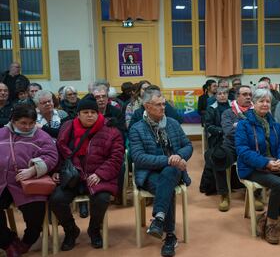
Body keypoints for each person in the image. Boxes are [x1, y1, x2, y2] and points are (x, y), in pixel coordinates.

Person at [49, 96, 124, 251]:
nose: (89, 115)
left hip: (97, 176)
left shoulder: (111, 131)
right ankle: (71, 230)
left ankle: (94, 229)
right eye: (85, 112)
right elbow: (57, 152)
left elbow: (116, 158)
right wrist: (56, 171)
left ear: (98, 113)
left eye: (93, 112)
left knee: (102, 199)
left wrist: (100, 174)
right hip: (73, 175)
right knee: (56, 199)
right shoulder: (67, 128)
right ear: (78, 114)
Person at [129, 87, 192, 257]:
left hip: (174, 170)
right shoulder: (137, 128)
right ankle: (170, 235)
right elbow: (139, 158)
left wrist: (178, 156)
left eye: (164, 104)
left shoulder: (172, 123)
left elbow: (188, 145)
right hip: (150, 173)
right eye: (158, 105)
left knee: (170, 173)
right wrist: (168, 160)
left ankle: (159, 219)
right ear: (147, 107)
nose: (163, 108)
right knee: (167, 185)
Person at [236, 88, 280, 245]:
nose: (265, 104)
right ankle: (271, 224)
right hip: (252, 167)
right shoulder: (244, 124)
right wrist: (266, 163)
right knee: (278, 184)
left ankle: (266, 218)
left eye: (267, 101)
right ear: (253, 103)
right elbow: (243, 151)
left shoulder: (275, 125)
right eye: (261, 101)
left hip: (276, 164)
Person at [0, 104, 58, 256]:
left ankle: (27, 241)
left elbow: (52, 156)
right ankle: (7, 242)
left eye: (31, 123)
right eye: (23, 123)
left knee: (35, 213)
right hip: (2, 182)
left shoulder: (41, 135)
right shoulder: (1, 133)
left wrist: (33, 169)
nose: (27, 127)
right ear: (13, 121)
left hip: (28, 183)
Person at [203, 87, 231, 211]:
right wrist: (222, 131)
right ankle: (223, 194)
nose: (222, 96)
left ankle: (252, 192)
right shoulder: (211, 108)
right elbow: (208, 126)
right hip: (218, 140)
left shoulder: (234, 107)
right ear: (216, 96)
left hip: (234, 140)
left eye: (225, 93)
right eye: (219, 94)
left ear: (228, 95)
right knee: (218, 158)